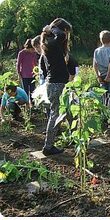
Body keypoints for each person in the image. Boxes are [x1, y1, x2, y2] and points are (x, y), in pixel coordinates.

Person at [40, 17, 72, 156]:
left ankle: (75, 137)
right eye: (67, 31)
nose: (67, 35)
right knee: (55, 114)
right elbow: (61, 34)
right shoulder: (52, 42)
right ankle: (48, 147)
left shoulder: (50, 44)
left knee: (69, 111)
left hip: (56, 83)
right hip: (56, 84)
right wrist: (51, 27)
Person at [93, 30, 110, 111]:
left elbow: (95, 64)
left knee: (103, 94)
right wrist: (108, 76)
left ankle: (103, 111)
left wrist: (98, 76)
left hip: (101, 75)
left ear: (101, 40)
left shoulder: (96, 51)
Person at [16, 39, 38, 105]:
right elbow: (18, 64)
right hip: (24, 75)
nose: (33, 50)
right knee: (25, 92)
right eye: (32, 49)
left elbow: (35, 63)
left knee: (33, 91)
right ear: (28, 47)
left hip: (32, 75)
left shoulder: (33, 53)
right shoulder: (22, 53)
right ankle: (26, 105)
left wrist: (37, 72)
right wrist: (18, 73)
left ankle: (33, 105)